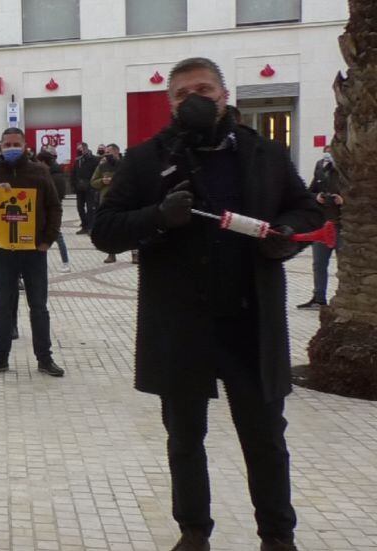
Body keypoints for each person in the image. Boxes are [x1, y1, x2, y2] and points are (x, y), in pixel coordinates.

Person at [92, 57, 323, 551]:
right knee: (184, 439)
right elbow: (104, 228)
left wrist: (288, 236)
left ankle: (278, 536)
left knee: (265, 439)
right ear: (170, 103)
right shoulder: (146, 158)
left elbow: (306, 207)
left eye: (204, 88)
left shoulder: (266, 152)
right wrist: (157, 215)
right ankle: (194, 532)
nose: (195, 98)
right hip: (181, 323)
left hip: (250, 321)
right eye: (182, 93)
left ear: (224, 94)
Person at [0, 127, 65, 379]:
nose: (11, 148)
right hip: (3, 252)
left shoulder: (39, 173)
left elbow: (54, 207)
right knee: (2, 306)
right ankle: (0, 357)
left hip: (34, 251)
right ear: (0, 147)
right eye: (7, 144)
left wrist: (47, 240)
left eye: (15, 144)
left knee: (39, 307)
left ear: (25, 146)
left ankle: (45, 358)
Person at [297, 146, 343, 309]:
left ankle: (344, 296)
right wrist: (317, 197)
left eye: (331, 151)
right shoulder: (320, 167)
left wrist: (342, 199)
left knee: (344, 264)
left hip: (343, 225)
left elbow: (359, 193)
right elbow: (309, 192)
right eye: (326, 151)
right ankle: (318, 297)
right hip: (324, 224)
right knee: (318, 264)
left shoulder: (346, 168)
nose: (328, 155)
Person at [37, 145, 72, 273]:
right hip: (44, 210)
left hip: (51, 211)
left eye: (39, 162)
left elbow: (57, 197)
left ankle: (65, 262)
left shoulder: (55, 176)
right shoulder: (48, 173)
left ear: (44, 162)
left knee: (57, 235)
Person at [91, 144, 124, 263]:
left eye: (109, 152)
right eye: (105, 152)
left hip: (123, 200)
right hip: (107, 202)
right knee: (110, 228)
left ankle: (134, 254)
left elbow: (133, 180)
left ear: (116, 152)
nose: (106, 154)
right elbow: (93, 182)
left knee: (129, 226)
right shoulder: (102, 166)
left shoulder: (126, 165)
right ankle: (111, 254)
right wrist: (102, 181)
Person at [71, 142, 100, 235]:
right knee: (80, 208)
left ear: (86, 148)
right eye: (78, 149)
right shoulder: (78, 160)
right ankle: (84, 225)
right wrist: (74, 185)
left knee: (90, 208)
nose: (79, 150)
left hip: (90, 188)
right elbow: (74, 174)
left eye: (81, 149)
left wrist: (94, 185)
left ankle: (90, 227)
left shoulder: (94, 159)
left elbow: (97, 174)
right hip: (80, 188)